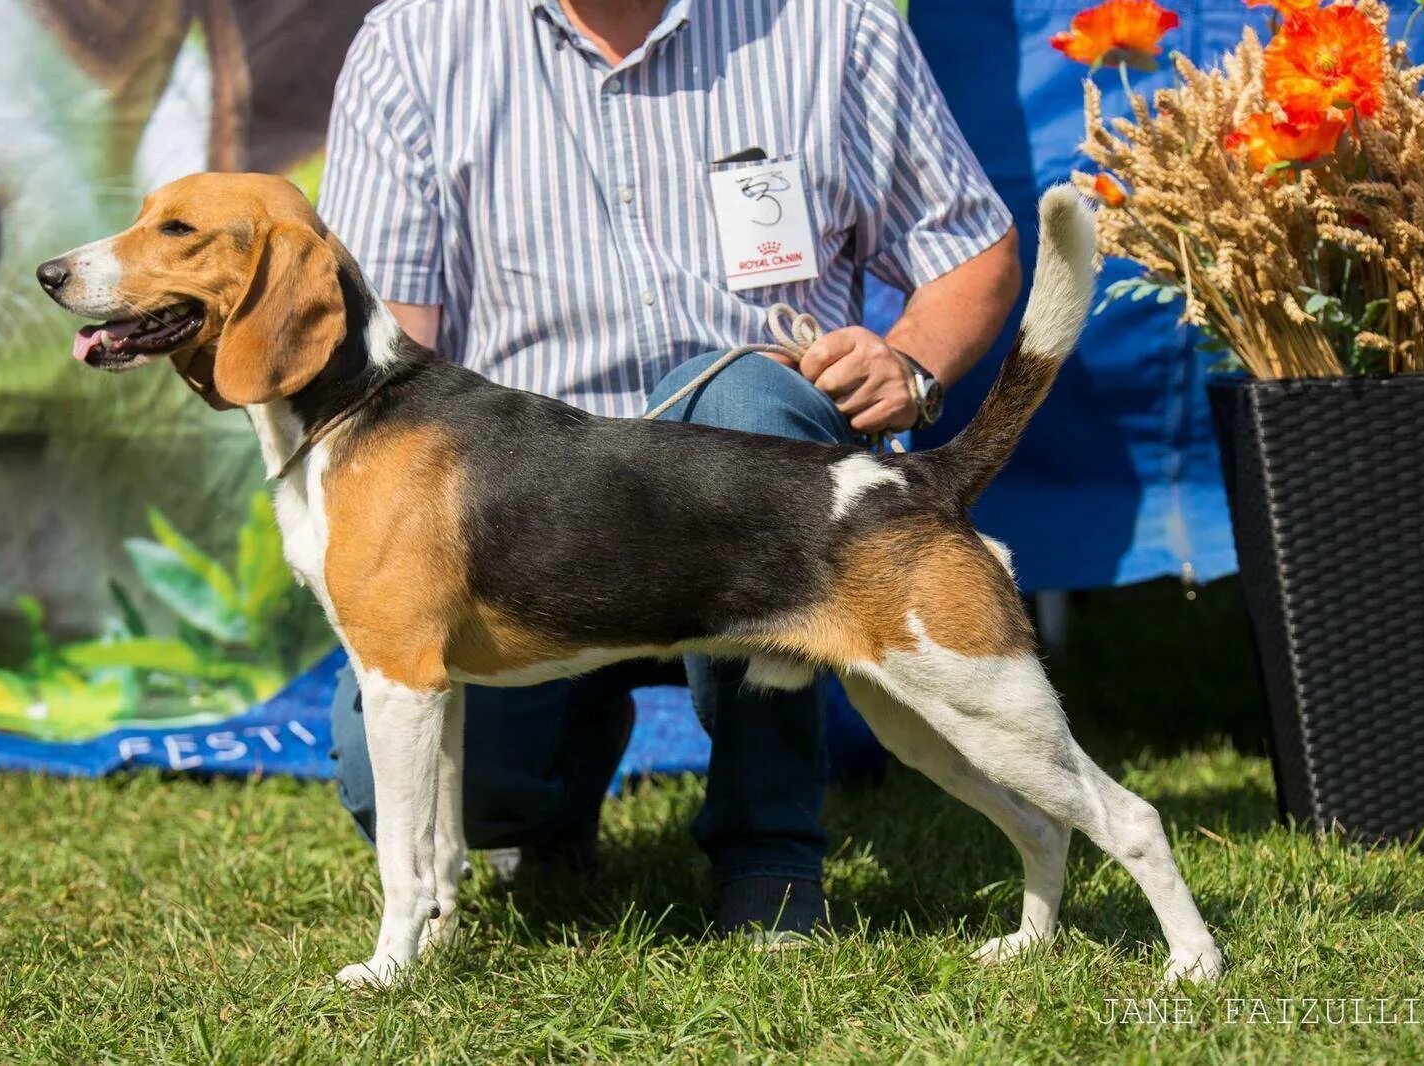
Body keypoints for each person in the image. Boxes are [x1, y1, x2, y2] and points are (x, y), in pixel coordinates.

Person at [317, 0, 1020, 940]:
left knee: (749, 406)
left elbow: (971, 249)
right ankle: (546, 807)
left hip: (752, 483)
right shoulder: (415, 42)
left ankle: (769, 856)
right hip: (526, 511)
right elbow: (389, 360)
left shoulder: (838, 27)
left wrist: (909, 361)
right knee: (385, 768)